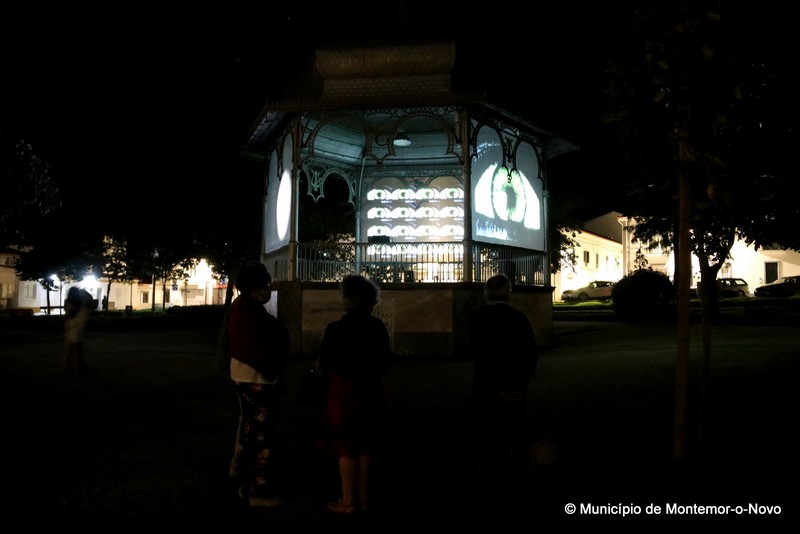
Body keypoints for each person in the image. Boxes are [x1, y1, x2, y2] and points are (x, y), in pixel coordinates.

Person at [317, 275, 391, 515]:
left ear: (351, 299)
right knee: (366, 446)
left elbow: (324, 365)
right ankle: (364, 498)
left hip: (343, 393)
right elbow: (385, 363)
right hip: (370, 390)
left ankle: (348, 502)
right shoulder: (377, 327)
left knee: (346, 447)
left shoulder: (335, 329)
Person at [468, 273, 538, 506]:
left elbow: (479, 354)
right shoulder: (519, 319)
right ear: (509, 293)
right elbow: (530, 355)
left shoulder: (477, 318)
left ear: (486, 293)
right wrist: (517, 385)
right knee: (512, 438)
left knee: (485, 441)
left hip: (485, 389)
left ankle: (487, 488)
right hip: (514, 389)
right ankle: (512, 484)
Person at [227, 261, 289, 507]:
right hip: (256, 379)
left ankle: (246, 482)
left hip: (248, 377)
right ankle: (258, 491)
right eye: (265, 285)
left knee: (253, 432)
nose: (268, 289)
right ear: (253, 288)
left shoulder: (245, 309)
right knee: (261, 436)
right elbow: (264, 345)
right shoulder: (249, 313)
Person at [63, 286, 95, 374]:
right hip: (77, 329)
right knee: (78, 351)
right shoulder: (80, 303)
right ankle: (78, 369)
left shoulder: (67, 302)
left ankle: (66, 367)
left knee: (69, 350)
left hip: (69, 327)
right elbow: (87, 310)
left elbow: (66, 313)